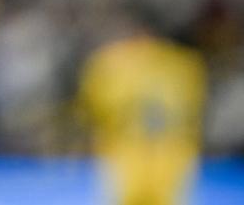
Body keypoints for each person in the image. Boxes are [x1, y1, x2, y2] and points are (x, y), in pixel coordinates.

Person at [77, 13, 207, 205]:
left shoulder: (180, 65)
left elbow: (191, 105)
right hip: (134, 146)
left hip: (163, 147)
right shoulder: (183, 64)